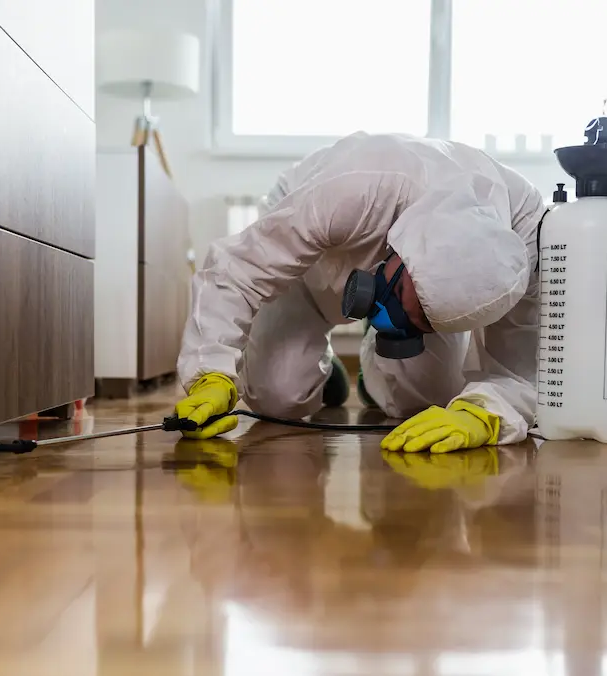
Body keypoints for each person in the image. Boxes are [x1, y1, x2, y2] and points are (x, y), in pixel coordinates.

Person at [172, 131, 546, 453]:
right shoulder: (358, 187)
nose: (395, 316)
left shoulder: (532, 238)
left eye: (422, 320)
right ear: (404, 249)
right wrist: (210, 371)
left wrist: (486, 414)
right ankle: (325, 369)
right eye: (401, 296)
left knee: (426, 403)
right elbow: (238, 268)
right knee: (279, 398)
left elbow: (525, 369)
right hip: (312, 256)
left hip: (404, 275)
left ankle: (377, 375)